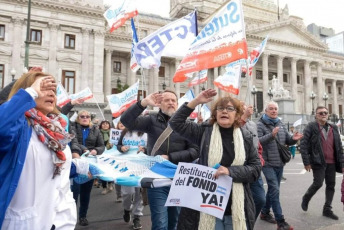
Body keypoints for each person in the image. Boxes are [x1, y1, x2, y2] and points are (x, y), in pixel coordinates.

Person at [169, 89, 261, 230]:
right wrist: (196, 101)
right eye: (220, 108)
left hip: (235, 206)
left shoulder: (245, 137)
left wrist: (230, 171)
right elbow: (175, 123)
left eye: (230, 109)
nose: (224, 111)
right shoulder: (203, 132)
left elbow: (255, 169)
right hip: (206, 207)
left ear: (237, 114)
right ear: (215, 113)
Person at [0, 72, 76, 229]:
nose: (50, 94)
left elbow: (48, 169)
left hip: (57, 222)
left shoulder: (56, 130)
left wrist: (77, 167)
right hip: (22, 223)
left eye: (53, 91)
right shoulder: (18, 126)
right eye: (43, 88)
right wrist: (29, 94)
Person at [120, 89, 199, 230]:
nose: (170, 103)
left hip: (179, 179)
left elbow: (195, 151)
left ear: (178, 104)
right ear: (159, 104)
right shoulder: (151, 120)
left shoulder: (187, 124)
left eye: (173, 100)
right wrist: (143, 103)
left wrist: (170, 157)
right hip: (156, 179)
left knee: (174, 222)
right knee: (160, 224)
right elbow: (126, 121)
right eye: (166, 100)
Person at [257, 101, 303, 230]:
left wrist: (294, 138)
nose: (274, 111)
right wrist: (271, 135)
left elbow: (287, 140)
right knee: (275, 190)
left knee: (273, 190)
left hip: (280, 162)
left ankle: (265, 212)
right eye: (271, 109)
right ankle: (280, 221)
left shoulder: (280, 123)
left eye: (275, 109)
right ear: (265, 111)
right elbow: (258, 142)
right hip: (267, 163)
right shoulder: (260, 125)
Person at [300, 106, 344, 220]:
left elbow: (339, 147)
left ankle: (327, 209)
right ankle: (306, 197)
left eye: (325, 112)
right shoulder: (311, 126)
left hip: (332, 162)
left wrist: (342, 163)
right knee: (318, 183)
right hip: (318, 161)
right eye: (320, 113)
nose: (323, 114)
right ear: (316, 115)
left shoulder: (333, 127)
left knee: (331, 185)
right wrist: (306, 162)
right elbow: (304, 145)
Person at [70, 110, 105, 226]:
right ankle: (71, 217)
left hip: (90, 163)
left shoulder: (96, 129)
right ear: (78, 118)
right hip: (77, 161)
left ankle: (83, 216)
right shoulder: (73, 127)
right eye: (82, 116)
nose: (85, 118)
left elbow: (101, 146)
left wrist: (96, 150)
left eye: (87, 116)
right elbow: (73, 143)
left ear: (90, 118)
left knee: (86, 192)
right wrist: (85, 149)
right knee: (74, 192)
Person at [239, 102, 266, 221]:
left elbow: (257, 144)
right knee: (240, 201)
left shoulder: (252, 124)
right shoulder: (233, 123)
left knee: (260, 199)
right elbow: (233, 131)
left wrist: (260, 159)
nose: (246, 110)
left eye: (246, 109)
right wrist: (243, 117)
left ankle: (248, 223)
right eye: (242, 109)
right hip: (239, 167)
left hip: (254, 166)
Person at [117, 127, 147, 230]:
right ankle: (126, 209)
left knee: (139, 192)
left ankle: (137, 217)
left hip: (142, 165)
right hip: (127, 165)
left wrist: (144, 149)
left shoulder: (147, 131)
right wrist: (121, 148)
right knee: (127, 192)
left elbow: (153, 147)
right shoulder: (125, 132)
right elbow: (118, 145)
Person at [98, 120, 115, 195]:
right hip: (101, 154)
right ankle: (104, 187)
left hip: (110, 154)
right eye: (103, 124)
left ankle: (110, 184)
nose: (105, 125)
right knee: (102, 171)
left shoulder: (112, 133)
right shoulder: (98, 132)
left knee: (110, 170)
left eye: (107, 124)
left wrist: (112, 145)